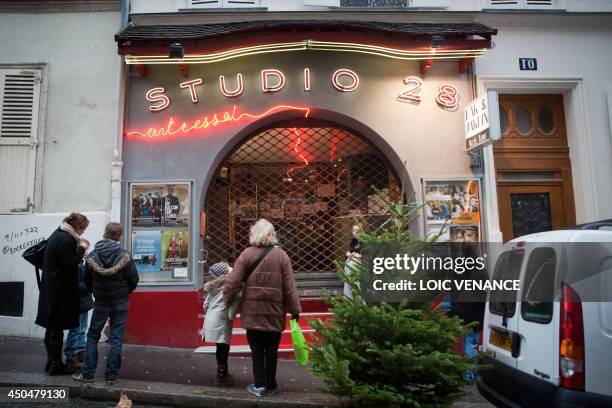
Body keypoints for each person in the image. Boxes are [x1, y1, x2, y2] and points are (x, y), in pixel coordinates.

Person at [223, 219, 301, 397]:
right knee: (272, 350)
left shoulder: (246, 254)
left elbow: (233, 282)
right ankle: (272, 386)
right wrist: (295, 310)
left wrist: (226, 299)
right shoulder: (282, 256)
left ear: (254, 234)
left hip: (253, 312)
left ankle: (259, 385)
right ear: (272, 234)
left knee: (257, 350)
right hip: (274, 313)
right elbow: (290, 286)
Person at [73, 222, 139, 385]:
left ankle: (88, 374)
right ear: (120, 236)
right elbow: (134, 279)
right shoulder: (125, 255)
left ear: (105, 234)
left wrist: (96, 292)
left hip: (101, 302)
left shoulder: (92, 256)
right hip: (120, 302)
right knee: (116, 339)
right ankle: (111, 376)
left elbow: (86, 280)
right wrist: (124, 293)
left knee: (92, 336)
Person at [35, 212, 90, 375]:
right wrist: (81, 250)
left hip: (51, 289)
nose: (83, 233)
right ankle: (56, 365)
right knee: (56, 330)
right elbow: (70, 265)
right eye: (83, 229)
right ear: (77, 227)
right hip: (59, 291)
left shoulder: (58, 234)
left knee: (52, 328)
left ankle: (51, 362)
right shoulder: (66, 240)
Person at [449, 243, 487, 383]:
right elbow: (485, 291)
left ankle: (468, 371)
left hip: (461, 310)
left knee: (467, 343)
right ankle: (469, 374)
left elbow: (453, 290)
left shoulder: (458, 268)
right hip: (475, 311)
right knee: (473, 343)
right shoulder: (480, 269)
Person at [201, 262, 240, 386]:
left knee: (220, 347)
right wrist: (231, 316)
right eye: (229, 268)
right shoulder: (231, 287)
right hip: (222, 319)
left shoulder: (212, 287)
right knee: (224, 347)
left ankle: (222, 373)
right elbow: (234, 304)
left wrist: (209, 314)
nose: (231, 268)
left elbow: (205, 305)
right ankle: (222, 376)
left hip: (211, 319)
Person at [63, 238, 93, 369]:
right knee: (75, 330)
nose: (87, 252)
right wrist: (89, 285)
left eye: (87, 249)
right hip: (77, 302)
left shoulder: (83, 262)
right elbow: (77, 284)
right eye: (85, 249)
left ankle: (80, 351)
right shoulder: (75, 264)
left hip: (84, 301)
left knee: (82, 329)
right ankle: (70, 355)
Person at [343, 223, 362, 298]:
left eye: (357, 231)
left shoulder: (366, 242)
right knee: (349, 288)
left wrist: (355, 255)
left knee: (357, 289)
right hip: (350, 272)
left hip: (358, 272)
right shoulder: (354, 242)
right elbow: (350, 253)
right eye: (353, 230)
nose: (355, 232)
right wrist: (348, 254)